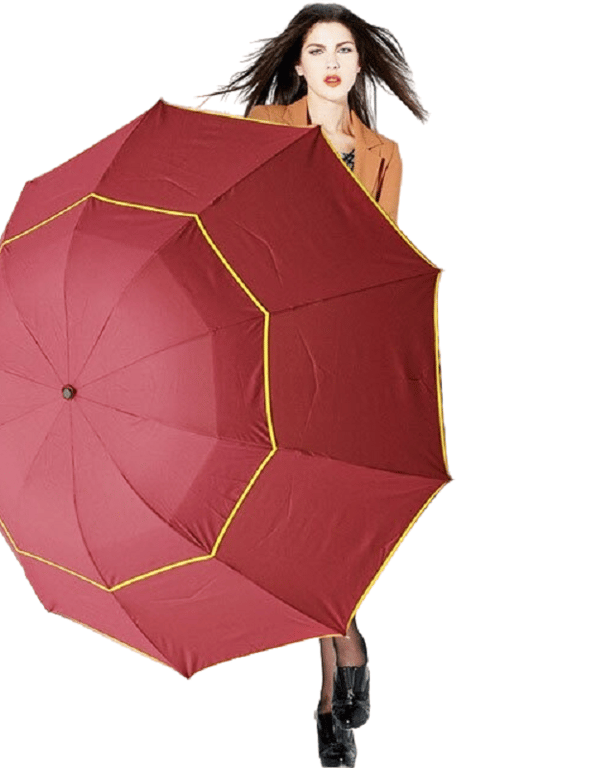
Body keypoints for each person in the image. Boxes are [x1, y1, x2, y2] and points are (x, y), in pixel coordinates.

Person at [208, 4, 427, 766]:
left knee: (332, 509)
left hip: (347, 347)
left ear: (360, 65)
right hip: (270, 340)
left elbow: (383, 257)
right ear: (297, 64)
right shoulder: (265, 128)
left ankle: (334, 684)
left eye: (345, 50)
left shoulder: (383, 154)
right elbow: (234, 220)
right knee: (294, 513)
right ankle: (343, 651)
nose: (332, 62)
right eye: (318, 50)